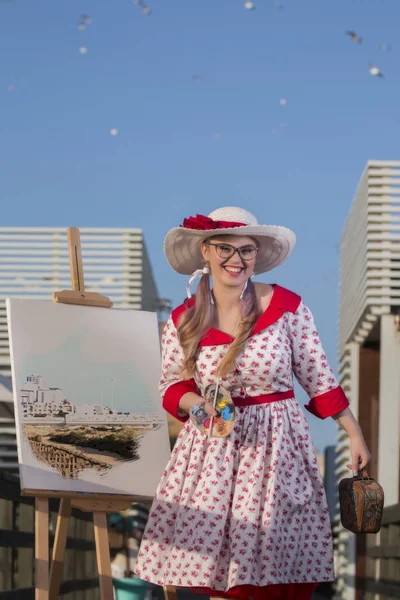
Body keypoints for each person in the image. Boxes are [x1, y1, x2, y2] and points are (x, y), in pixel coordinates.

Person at [134, 207, 371, 600]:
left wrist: (356, 435)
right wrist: (199, 405)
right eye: (225, 248)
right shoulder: (183, 319)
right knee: (221, 574)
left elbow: (319, 378)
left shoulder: (288, 307)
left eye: (246, 250)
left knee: (274, 573)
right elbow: (171, 386)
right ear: (205, 252)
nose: (236, 259)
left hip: (278, 452)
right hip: (213, 453)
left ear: (256, 256)